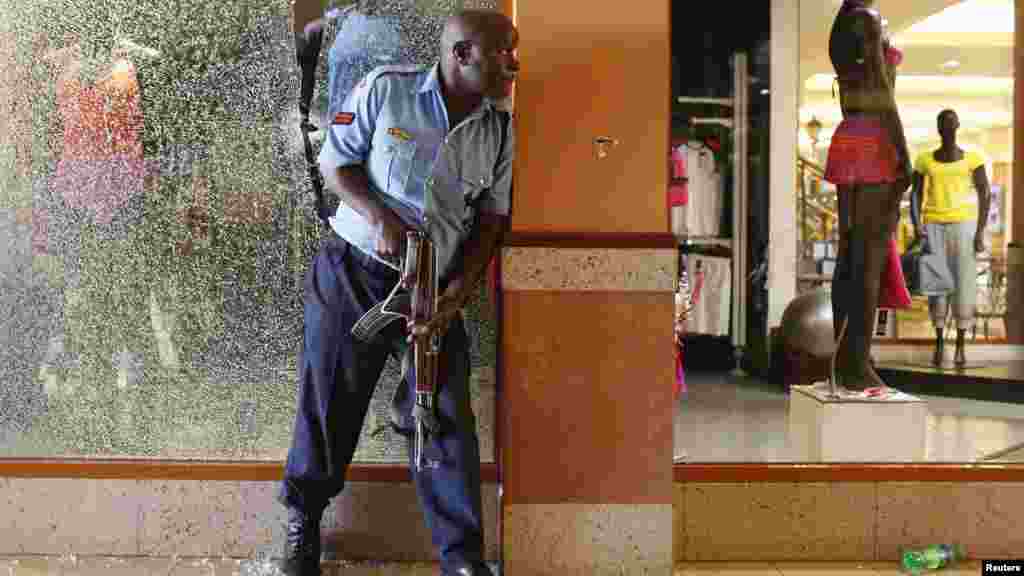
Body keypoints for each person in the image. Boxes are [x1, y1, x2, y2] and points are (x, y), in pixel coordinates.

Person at [278, 10, 519, 576]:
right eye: (503, 51)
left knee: (446, 418)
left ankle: (461, 560)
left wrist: (458, 292)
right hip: (353, 274)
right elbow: (335, 163)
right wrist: (380, 216)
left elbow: (492, 218)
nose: (515, 62)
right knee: (329, 405)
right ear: (462, 55)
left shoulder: (500, 130)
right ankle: (301, 526)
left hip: (431, 291)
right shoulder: (387, 90)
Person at [823, 0, 911, 391]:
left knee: (850, 253)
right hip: (874, 139)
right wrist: (904, 152)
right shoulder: (868, 20)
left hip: (849, 135)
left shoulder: (843, 22)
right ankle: (856, 363)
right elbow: (880, 90)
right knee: (869, 256)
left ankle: (846, 360)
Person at [910, 109, 991, 367]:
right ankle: (940, 343)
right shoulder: (924, 160)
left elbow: (985, 192)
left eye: (950, 122)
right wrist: (917, 225)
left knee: (964, 284)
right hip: (933, 225)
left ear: (957, 126)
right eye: (942, 123)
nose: (947, 127)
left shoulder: (972, 159)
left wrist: (979, 232)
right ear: (938, 128)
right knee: (936, 285)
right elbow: (916, 193)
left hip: (963, 226)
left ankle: (960, 344)